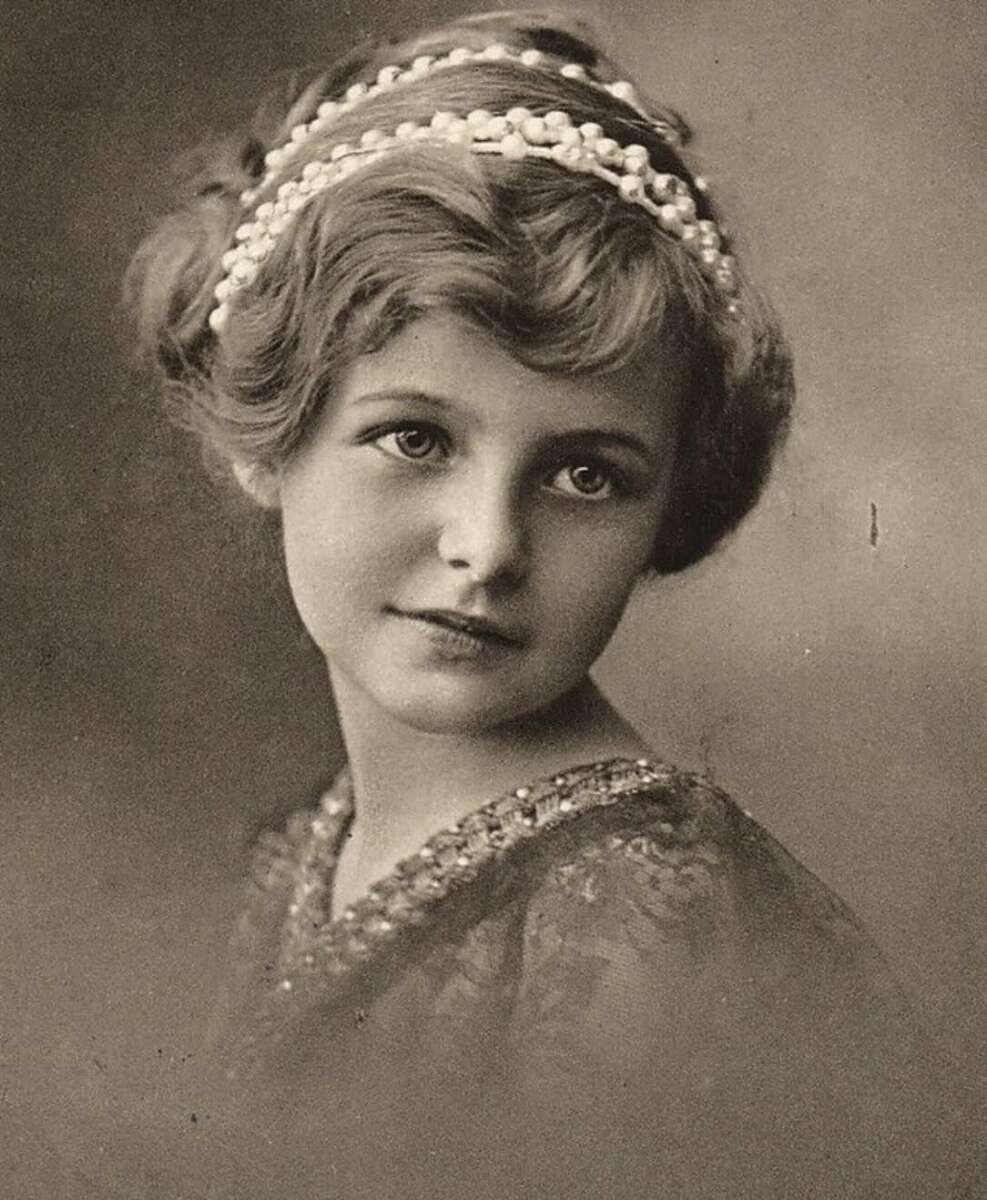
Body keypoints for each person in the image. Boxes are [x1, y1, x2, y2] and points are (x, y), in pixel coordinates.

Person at [125, 10, 970, 1198]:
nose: (487, 548)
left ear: (669, 499)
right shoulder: (308, 849)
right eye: (415, 437)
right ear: (267, 438)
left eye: (587, 475)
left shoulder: (645, 919)